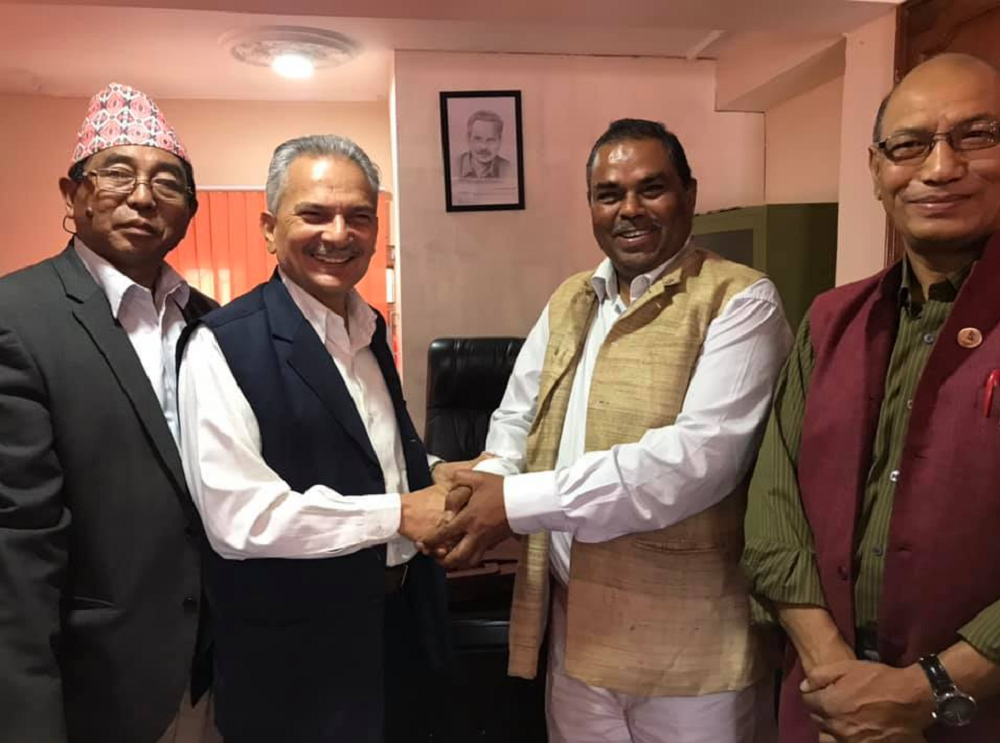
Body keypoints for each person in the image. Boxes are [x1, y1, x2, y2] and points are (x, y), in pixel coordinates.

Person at [423, 118, 792, 743]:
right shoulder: (572, 298)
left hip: (690, 642)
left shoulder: (740, 300)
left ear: (689, 194)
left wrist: (511, 502)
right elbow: (516, 421)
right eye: (609, 194)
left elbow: (693, 464)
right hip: (575, 629)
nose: (630, 209)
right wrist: (479, 490)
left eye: (652, 188)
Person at [742, 53, 1000, 743]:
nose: (939, 168)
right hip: (827, 707)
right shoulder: (833, 320)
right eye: (909, 145)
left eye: (976, 136)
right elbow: (773, 507)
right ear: (877, 169)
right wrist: (836, 674)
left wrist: (927, 689)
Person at [178, 135, 453, 743]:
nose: (339, 233)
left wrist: (436, 470)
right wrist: (401, 513)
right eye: (315, 214)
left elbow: (364, 447)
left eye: (359, 216)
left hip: (398, 628)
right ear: (269, 229)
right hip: (296, 659)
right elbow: (240, 518)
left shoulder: (368, 328)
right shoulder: (223, 344)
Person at [0, 83, 218, 743]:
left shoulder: (213, 323)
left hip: (216, 677)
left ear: (190, 211)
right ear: (73, 195)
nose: (144, 196)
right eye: (118, 173)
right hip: (94, 688)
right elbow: (16, 546)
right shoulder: (17, 318)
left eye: (168, 182)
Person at [453, 109, 513, 179]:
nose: (483, 147)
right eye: (478, 139)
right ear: (468, 138)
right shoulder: (453, 165)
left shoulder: (509, 169)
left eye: (490, 140)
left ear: (500, 141)